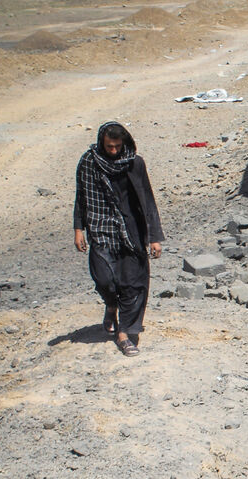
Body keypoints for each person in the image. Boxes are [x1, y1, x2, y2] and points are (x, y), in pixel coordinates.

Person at [72, 121, 164, 356]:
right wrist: (78, 229)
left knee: (132, 283)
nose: (113, 151)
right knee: (104, 278)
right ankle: (111, 304)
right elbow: (81, 197)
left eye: (116, 146)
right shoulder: (89, 162)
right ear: (102, 143)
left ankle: (124, 333)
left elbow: (147, 199)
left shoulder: (134, 162)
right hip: (100, 230)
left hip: (131, 232)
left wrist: (154, 236)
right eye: (108, 146)